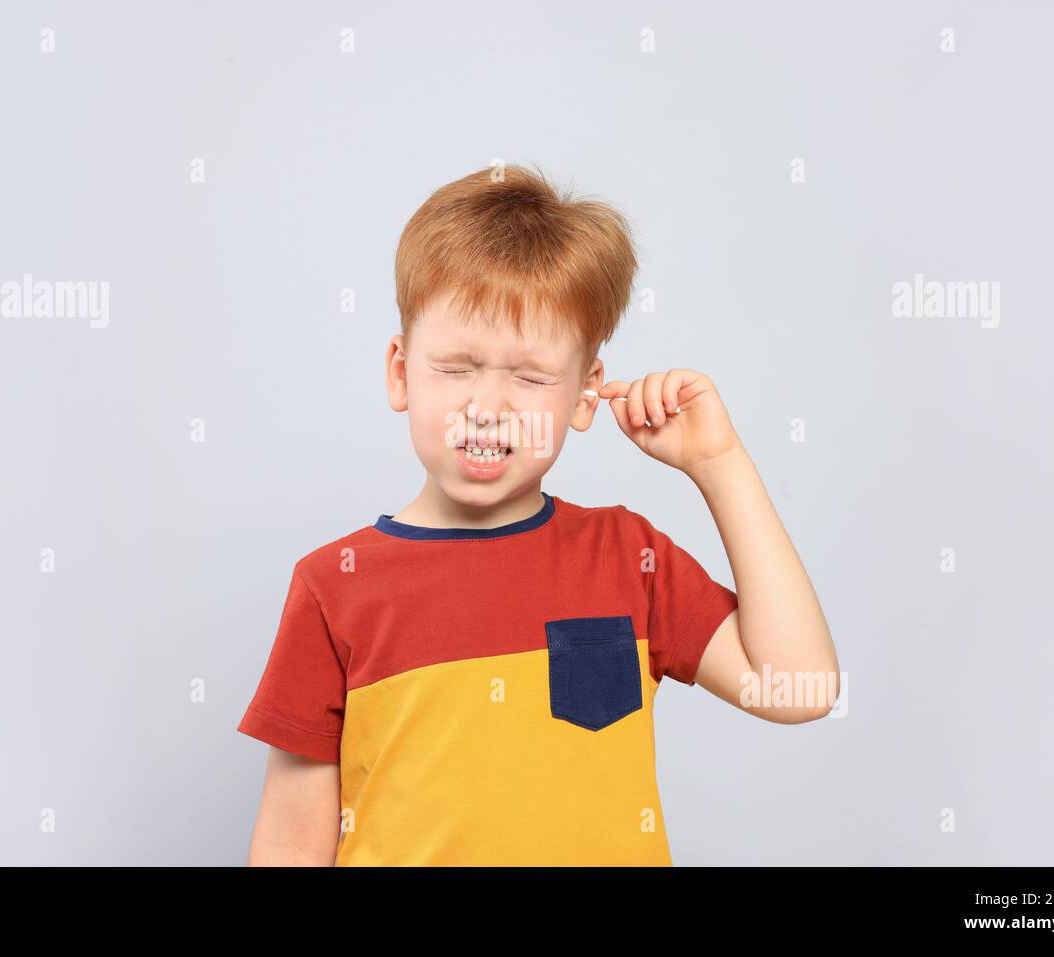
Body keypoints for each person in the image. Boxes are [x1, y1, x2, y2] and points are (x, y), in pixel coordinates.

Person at [237, 164, 839, 866]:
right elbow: (290, 838)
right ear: (402, 373)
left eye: (529, 377)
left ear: (585, 395)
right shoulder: (332, 585)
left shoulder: (628, 556)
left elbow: (801, 687)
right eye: (456, 366)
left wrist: (720, 463)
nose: (488, 406)